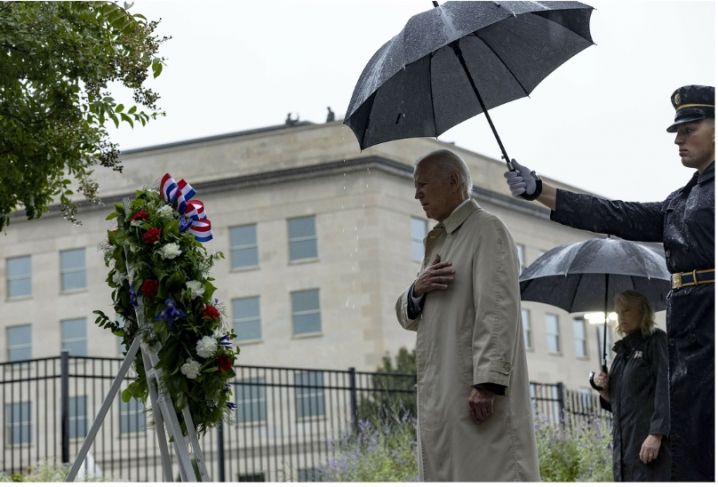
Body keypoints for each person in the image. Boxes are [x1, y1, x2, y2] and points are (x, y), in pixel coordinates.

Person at [504, 84, 714, 481]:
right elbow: (616, 214)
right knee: (694, 450)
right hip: (689, 325)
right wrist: (540, 191)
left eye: (690, 129)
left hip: (711, 319)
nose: (680, 140)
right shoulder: (680, 201)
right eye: (676, 133)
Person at [395, 149, 539, 481]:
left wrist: (487, 383)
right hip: (444, 400)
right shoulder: (440, 242)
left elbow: (498, 309)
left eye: (423, 185)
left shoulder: (487, 229)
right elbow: (407, 316)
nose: (417, 194)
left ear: (453, 181)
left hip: (475, 397)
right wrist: (417, 290)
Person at [594, 290, 670, 481]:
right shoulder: (621, 354)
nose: (621, 317)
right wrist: (604, 391)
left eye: (627, 311)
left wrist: (656, 434)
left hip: (649, 446)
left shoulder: (656, 341)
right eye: (618, 312)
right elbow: (620, 404)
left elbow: (666, 387)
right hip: (624, 450)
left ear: (643, 312)